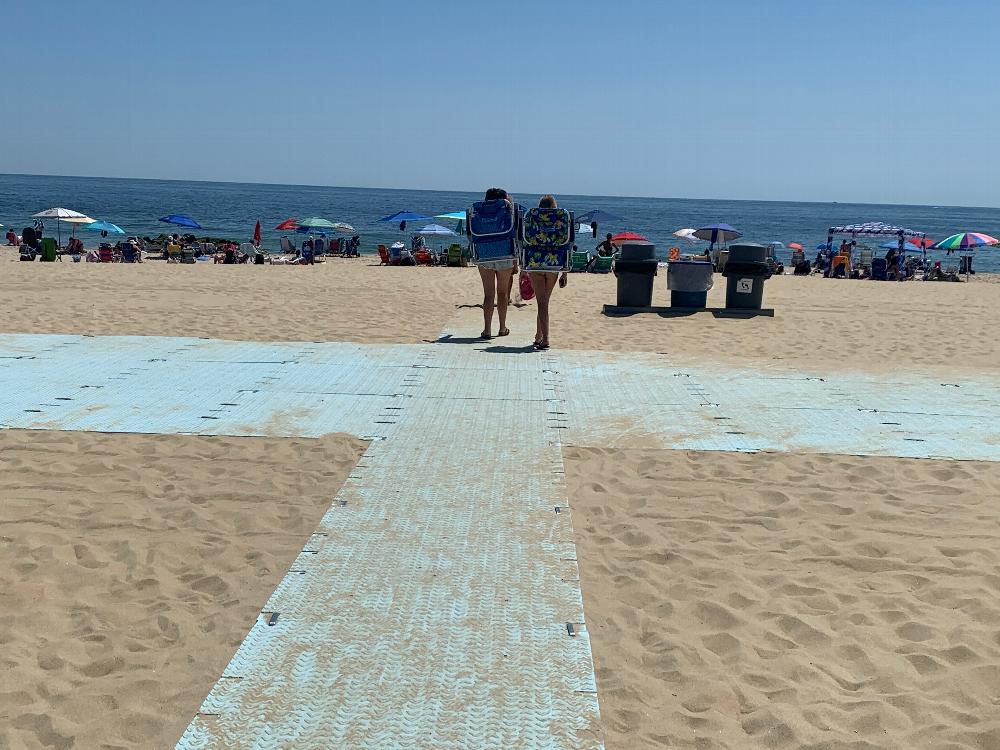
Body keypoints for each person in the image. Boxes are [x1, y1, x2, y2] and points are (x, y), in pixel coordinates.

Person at [475, 187, 518, 338]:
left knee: (488, 294)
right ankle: (502, 327)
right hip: (504, 254)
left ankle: (487, 330)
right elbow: (515, 234)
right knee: (502, 293)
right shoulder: (507, 211)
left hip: (484, 253)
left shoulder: (479, 212)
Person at [528, 195, 568, 350]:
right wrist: (565, 272)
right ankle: (539, 335)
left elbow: (525, 240)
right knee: (544, 302)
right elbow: (567, 243)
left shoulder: (532, 217)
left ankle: (545, 339)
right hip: (554, 262)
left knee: (541, 302)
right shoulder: (561, 218)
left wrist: (524, 269)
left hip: (535, 262)